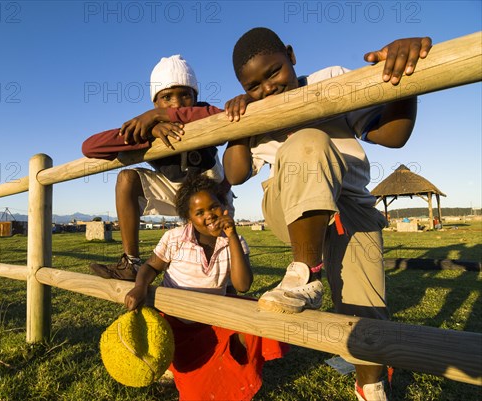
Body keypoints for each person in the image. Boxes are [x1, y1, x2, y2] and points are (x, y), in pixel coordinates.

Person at [220, 28, 432, 401]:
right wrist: (238, 128)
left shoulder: (329, 80)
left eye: (273, 73)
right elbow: (236, 175)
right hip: (290, 209)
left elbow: (393, 135)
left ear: (291, 55)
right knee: (307, 141)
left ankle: (371, 387)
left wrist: (404, 82)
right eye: (253, 86)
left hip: (351, 205)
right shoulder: (257, 112)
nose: (267, 88)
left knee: (366, 313)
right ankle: (305, 273)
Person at [124, 174, 288, 401]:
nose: (209, 215)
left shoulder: (235, 242)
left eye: (213, 207)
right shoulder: (175, 238)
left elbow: (242, 285)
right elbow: (152, 266)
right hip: (175, 323)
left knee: (257, 316)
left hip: (212, 319)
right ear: (188, 217)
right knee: (195, 389)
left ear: (223, 206)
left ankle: (231, 375)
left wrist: (231, 236)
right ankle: (187, 372)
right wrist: (141, 287)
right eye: (199, 213)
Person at [82, 55, 231, 281]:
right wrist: (149, 131)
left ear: (196, 97)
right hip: (174, 191)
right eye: (167, 98)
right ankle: (131, 263)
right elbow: (90, 146)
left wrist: (161, 114)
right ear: (154, 101)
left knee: (220, 270)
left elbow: (224, 118)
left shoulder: (203, 114)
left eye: (185, 95)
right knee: (126, 178)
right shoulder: (149, 126)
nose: (177, 104)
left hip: (213, 194)